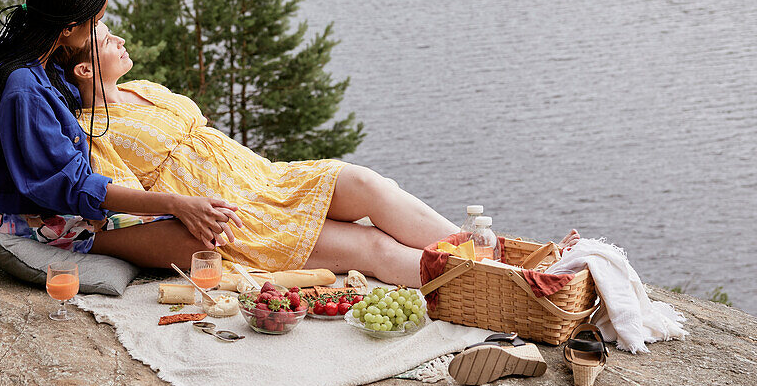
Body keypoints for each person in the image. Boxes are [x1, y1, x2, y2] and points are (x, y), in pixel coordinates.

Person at [57, 21, 461, 287]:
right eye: (108, 41)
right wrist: (189, 215)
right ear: (86, 71)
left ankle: (481, 249)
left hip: (267, 178)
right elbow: (126, 209)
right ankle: (482, 286)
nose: (121, 40)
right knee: (372, 247)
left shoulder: (142, 88)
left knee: (368, 182)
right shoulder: (91, 130)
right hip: (239, 217)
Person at [0, 0, 243, 268]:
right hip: (31, 223)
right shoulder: (24, 89)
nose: (99, 30)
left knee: (201, 221)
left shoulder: (36, 56)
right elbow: (73, 185)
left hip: (53, 205)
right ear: (68, 28)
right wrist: (176, 204)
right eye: (95, 22)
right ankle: (89, 246)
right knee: (198, 245)